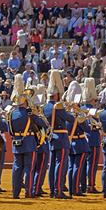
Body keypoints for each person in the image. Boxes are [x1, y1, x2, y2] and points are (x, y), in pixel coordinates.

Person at [7, 74, 45, 199]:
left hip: (16, 142)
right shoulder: (30, 113)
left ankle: (15, 193)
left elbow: (10, 131)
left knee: (17, 167)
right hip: (29, 142)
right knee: (29, 168)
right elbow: (43, 124)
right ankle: (28, 192)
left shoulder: (11, 114)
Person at [43, 70, 73, 198]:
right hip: (61, 137)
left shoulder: (45, 107)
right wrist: (70, 109)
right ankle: (58, 190)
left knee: (53, 165)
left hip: (52, 136)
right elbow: (70, 119)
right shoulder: (58, 106)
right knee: (61, 164)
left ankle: (52, 190)